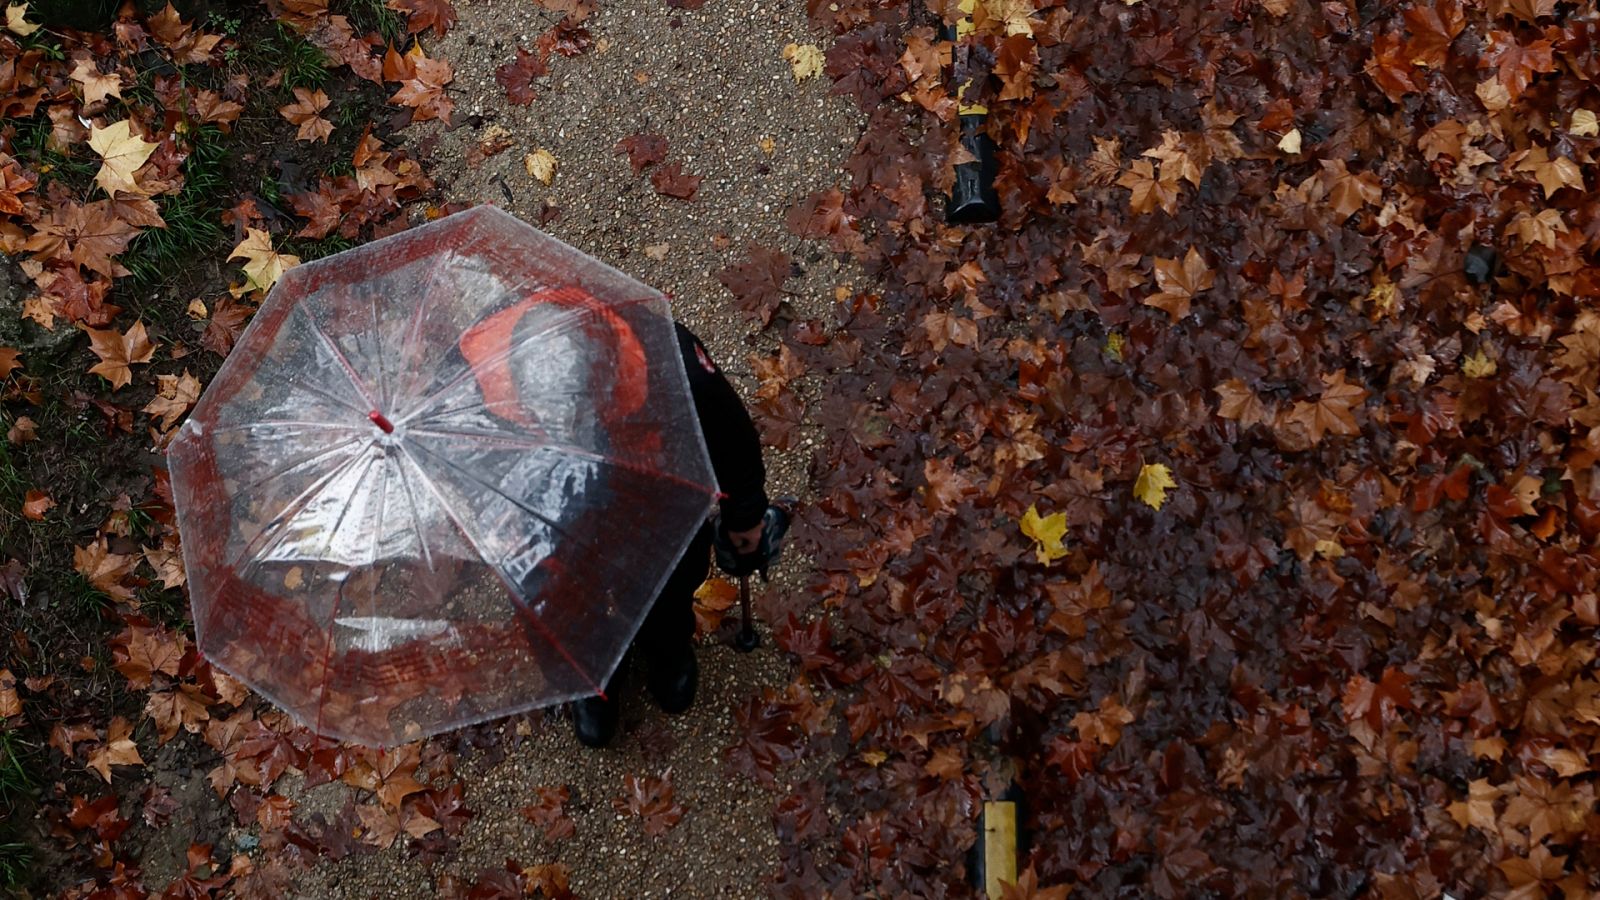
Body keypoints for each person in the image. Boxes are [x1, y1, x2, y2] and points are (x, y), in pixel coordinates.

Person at [458, 289, 769, 748]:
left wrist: (744, 513)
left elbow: (730, 435)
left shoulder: (671, 362)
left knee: (666, 572)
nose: (570, 433)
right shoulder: (474, 373)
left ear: (605, 379)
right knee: (550, 597)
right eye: (548, 419)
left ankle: (668, 649)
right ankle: (591, 680)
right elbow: (458, 449)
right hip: (541, 494)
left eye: (580, 417)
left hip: (650, 479)